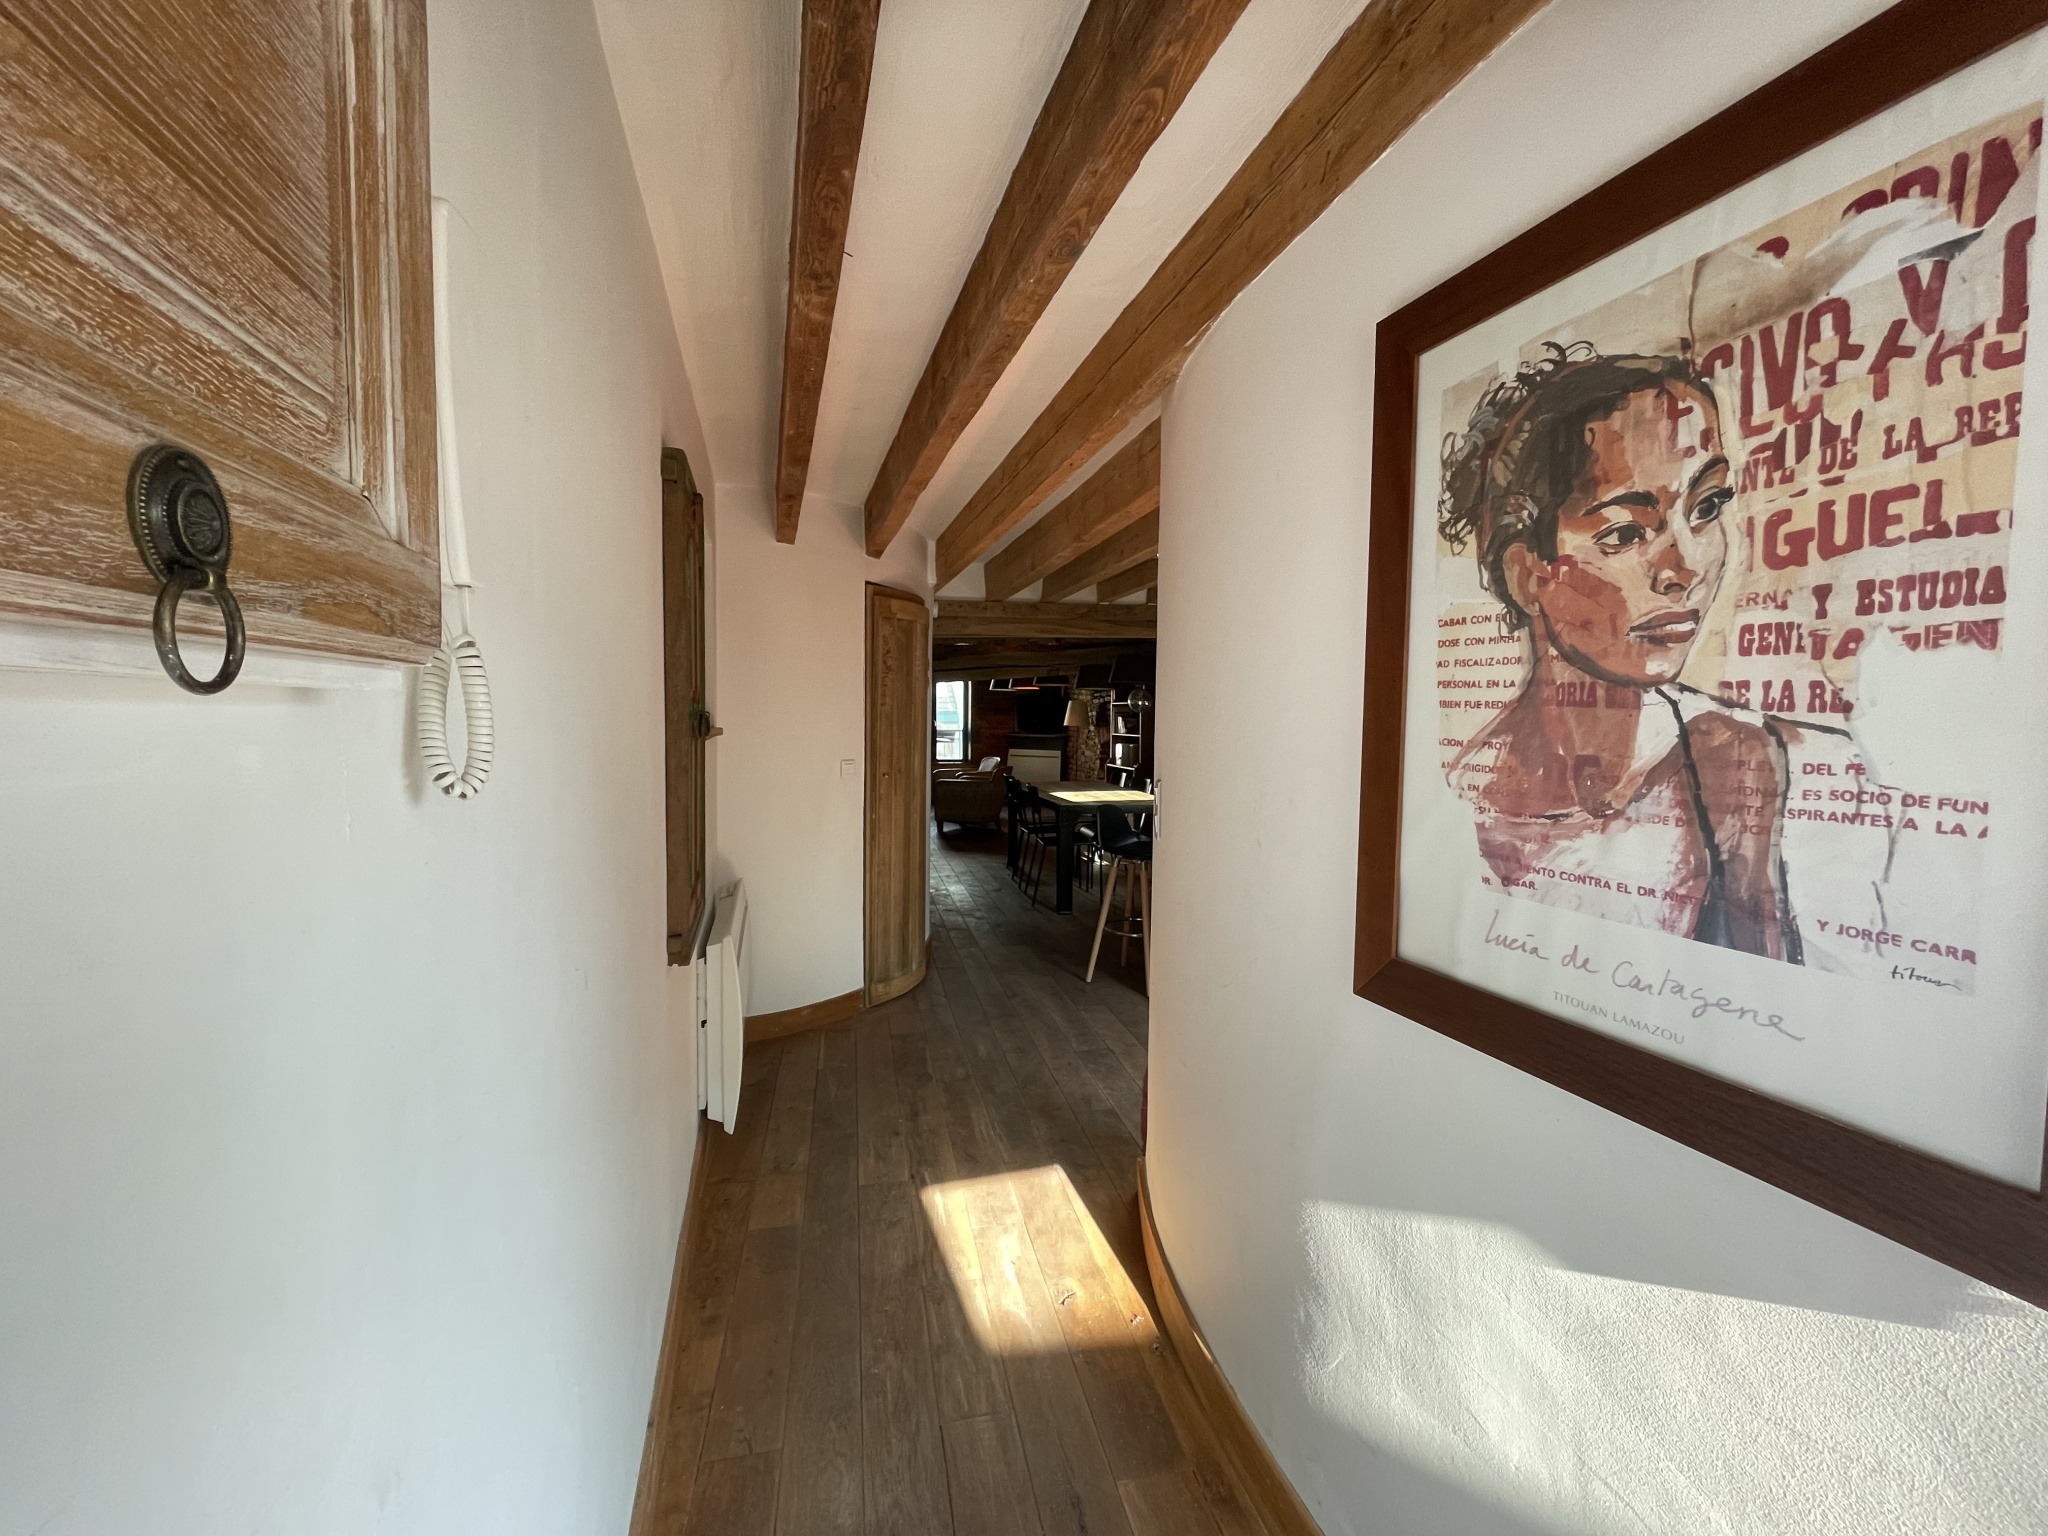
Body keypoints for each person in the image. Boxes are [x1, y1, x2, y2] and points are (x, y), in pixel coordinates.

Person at [1438, 341, 1857, 962]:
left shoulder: (1734, 754)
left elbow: (1764, 975)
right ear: (1527, 574)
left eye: (1707, 506)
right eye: (1627, 532)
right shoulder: (1463, 800)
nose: (1684, 568)